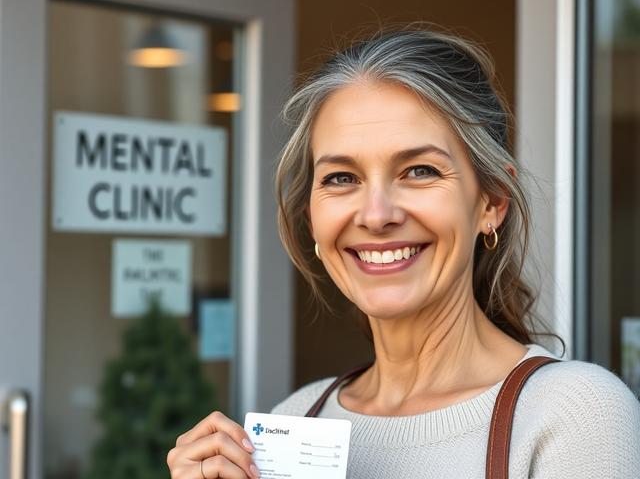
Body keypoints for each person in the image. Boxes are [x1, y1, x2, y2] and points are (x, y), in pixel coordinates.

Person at [167, 25, 640, 479]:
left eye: (419, 171)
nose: (376, 215)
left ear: (491, 202)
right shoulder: (297, 420)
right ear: (313, 219)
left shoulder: (573, 415)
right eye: (341, 178)